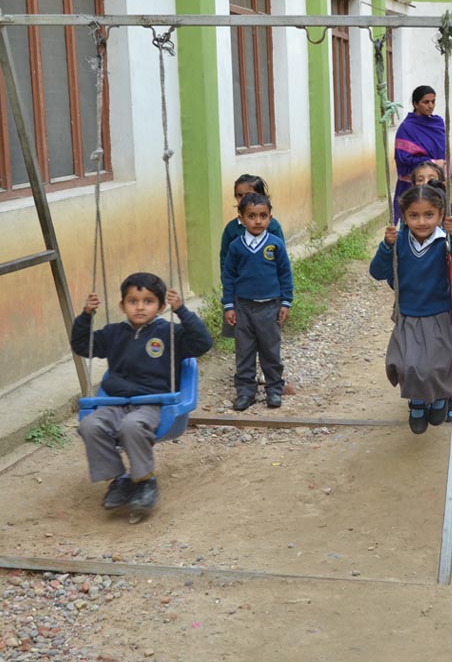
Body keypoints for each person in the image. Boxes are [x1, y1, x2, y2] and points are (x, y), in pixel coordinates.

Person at [72, 272, 213, 512]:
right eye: (133, 301)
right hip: (116, 402)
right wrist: (86, 315)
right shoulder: (113, 333)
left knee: (131, 426)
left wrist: (181, 311)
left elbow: (203, 343)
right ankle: (119, 479)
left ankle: (146, 480)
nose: (139, 307)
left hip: (153, 403)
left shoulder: (171, 334)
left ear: (161, 306)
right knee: (90, 425)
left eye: (148, 301)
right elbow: (82, 345)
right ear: (122, 305)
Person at [369, 185, 452, 434]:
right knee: (407, 365)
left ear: (441, 214)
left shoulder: (445, 241)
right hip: (409, 314)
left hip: (439, 313)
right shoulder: (399, 241)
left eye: (429, 215)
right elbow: (377, 272)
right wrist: (386, 246)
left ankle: (440, 397)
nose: (422, 222)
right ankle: (418, 402)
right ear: (404, 216)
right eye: (414, 216)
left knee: (436, 365)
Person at [222, 193, 293, 412]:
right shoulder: (236, 246)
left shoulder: (275, 245)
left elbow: (285, 274)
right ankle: (245, 391)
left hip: (270, 307)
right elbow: (229, 277)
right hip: (243, 307)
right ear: (241, 218)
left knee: (270, 349)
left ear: (270, 218)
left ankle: (274, 389)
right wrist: (229, 306)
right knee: (244, 351)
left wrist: (285, 302)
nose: (258, 221)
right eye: (251, 216)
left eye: (263, 216)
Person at [219, 174, 284, 339]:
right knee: (243, 338)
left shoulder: (272, 227)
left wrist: (283, 298)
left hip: (268, 298)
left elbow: (281, 263)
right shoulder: (232, 229)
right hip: (240, 295)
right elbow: (225, 262)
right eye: (239, 195)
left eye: (247, 195)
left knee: (268, 340)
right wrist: (229, 294)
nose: (242, 199)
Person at [393, 85, 452, 222]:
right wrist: (432, 163)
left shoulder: (437, 124)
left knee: (439, 220)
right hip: (412, 185)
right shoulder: (406, 128)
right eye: (426, 102)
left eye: (433, 101)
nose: (430, 106)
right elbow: (404, 158)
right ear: (415, 104)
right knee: (412, 223)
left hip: (435, 185)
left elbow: (444, 154)